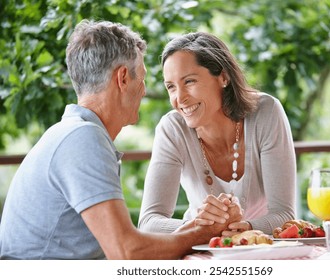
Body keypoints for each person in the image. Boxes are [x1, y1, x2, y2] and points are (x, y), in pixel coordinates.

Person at [0, 20, 241, 260]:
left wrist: (199, 227)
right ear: (123, 78)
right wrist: (203, 233)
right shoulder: (82, 139)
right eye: (142, 78)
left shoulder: (72, 132)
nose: (144, 90)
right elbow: (127, 252)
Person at [138, 31, 296, 236]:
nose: (180, 98)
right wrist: (203, 228)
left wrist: (245, 228)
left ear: (223, 76)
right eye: (171, 87)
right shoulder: (172, 129)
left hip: (260, 246)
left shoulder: (266, 112)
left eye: (189, 82)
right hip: (199, 248)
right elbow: (149, 222)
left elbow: (284, 214)